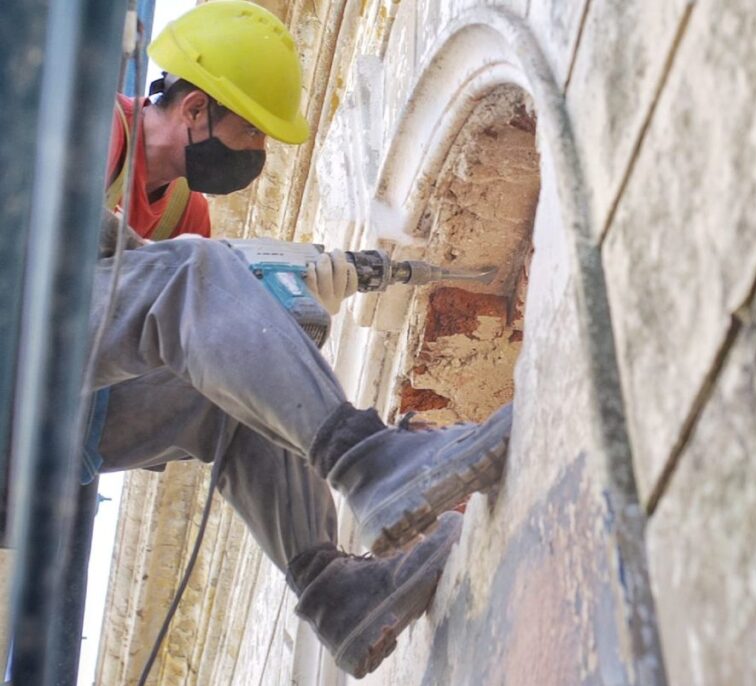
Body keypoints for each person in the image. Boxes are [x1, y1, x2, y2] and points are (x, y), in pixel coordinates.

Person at [90, 1, 513, 677]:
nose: (258, 154)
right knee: (205, 276)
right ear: (195, 109)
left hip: (65, 422)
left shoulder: (183, 211)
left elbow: (198, 322)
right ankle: (374, 462)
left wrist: (267, 299)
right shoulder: (85, 126)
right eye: (253, 133)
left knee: (232, 378)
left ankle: (337, 594)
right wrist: (222, 273)